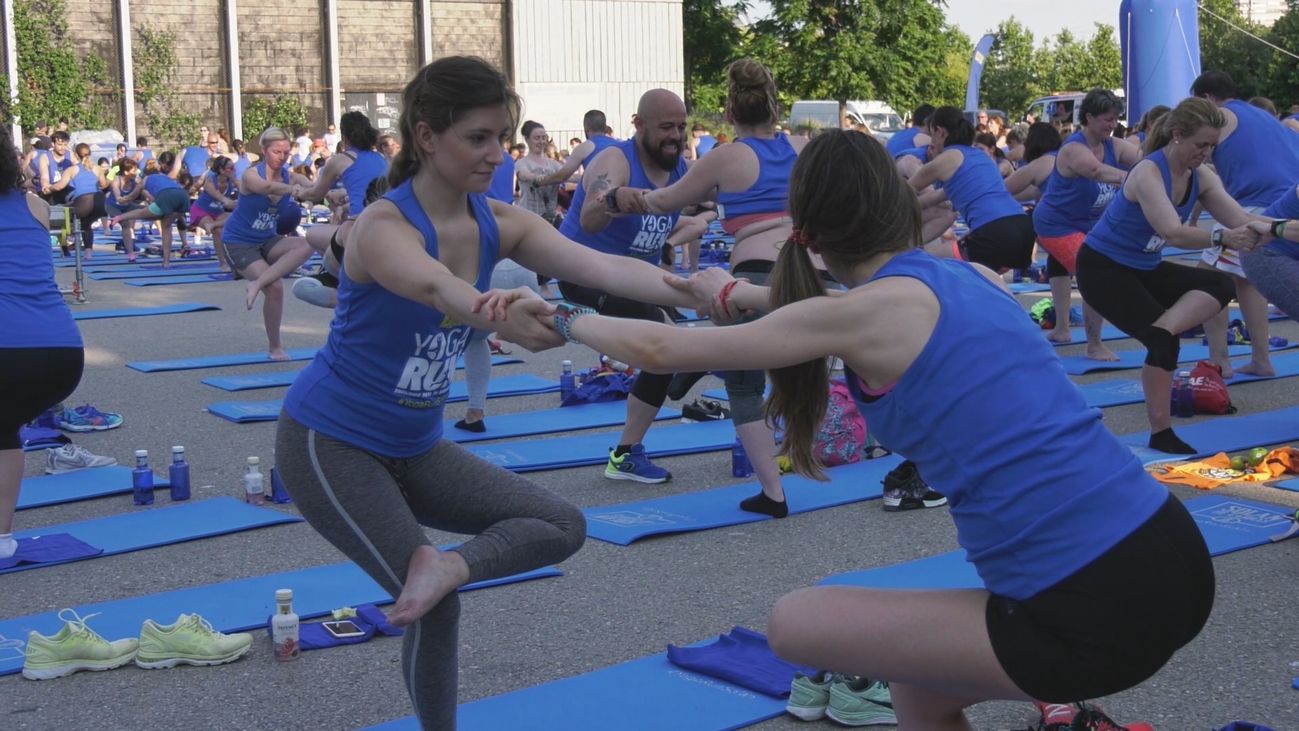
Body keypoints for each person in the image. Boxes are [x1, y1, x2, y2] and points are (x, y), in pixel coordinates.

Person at [520, 128, 1215, 730]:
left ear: (808, 229)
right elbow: (848, 309)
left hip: (1095, 602)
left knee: (796, 622)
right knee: (916, 683)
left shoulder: (860, 313)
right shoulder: (968, 273)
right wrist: (732, 292)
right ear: (895, 203)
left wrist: (560, 320)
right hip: (1171, 551)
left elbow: (662, 351)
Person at [275, 56, 721, 729]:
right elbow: (433, 286)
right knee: (433, 602)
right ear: (426, 137)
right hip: (329, 443)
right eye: (478, 138)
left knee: (560, 524)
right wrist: (494, 311)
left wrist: (702, 290)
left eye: (502, 138)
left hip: (416, 446)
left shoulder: (499, 220)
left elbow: (605, 267)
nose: (497, 154)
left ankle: (443, 567)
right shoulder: (383, 226)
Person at [1077, 97, 1264, 454]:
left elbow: (1242, 219)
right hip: (1103, 269)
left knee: (1219, 283)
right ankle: (1160, 432)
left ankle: (1163, 328)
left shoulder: (1201, 176)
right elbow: (1174, 232)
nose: (1207, 154)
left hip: (1143, 268)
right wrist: (1222, 237)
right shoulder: (1148, 172)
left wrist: (1286, 228)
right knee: (1165, 343)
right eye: (1201, 145)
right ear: (1177, 135)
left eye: (1212, 146)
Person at [554, 87, 691, 483]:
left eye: (681, 127)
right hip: (585, 276)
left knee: (670, 349)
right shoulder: (616, 158)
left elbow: (720, 192)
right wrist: (616, 198)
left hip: (635, 281)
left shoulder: (680, 167)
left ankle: (627, 452)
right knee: (666, 341)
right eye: (666, 127)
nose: (675, 136)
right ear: (639, 125)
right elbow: (592, 218)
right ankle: (625, 454)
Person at [0, 125, 89, 561]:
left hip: (8, 351)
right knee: (2, 429)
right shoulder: (35, 205)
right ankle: (1, 539)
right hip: (61, 354)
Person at [1190, 70, 1299, 378]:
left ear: (1207, 99)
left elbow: (1198, 169)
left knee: (1206, 279)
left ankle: (1219, 360)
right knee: (1247, 281)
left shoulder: (1219, 116)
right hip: (1288, 201)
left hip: (1258, 206)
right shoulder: (1260, 113)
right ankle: (1261, 359)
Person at [1031, 89, 1140, 360]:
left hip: (1088, 224)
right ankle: (1094, 346)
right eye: (1108, 119)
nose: (1113, 125)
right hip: (1054, 225)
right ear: (1089, 117)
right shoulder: (1072, 149)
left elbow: (1145, 160)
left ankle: (1062, 329)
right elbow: (1095, 171)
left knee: (1063, 266)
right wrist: (1140, 180)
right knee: (1095, 274)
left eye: (1116, 119)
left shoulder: (1114, 146)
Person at [221, 126, 315, 360]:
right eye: (276, 152)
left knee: (308, 242)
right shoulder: (251, 175)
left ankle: (256, 284)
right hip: (238, 242)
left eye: (285, 153)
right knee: (275, 288)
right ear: (264, 150)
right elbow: (267, 188)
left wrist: (334, 192)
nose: (281, 157)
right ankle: (275, 348)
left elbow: (314, 188)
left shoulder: (292, 176)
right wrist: (294, 190)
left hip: (267, 240)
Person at [908, 107, 1036, 271]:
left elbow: (902, 192)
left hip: (995, 233)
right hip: (1023, 229)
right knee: (986, 283)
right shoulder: (980, 155)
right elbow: (932, 198)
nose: (930, 143)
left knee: (917, 258)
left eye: (931, 135)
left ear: (939, 132)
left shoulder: (948, 158)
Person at [292, 111, 390, 307]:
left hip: (360, 229)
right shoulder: (379, 157)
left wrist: (298, 192)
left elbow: (315, 195)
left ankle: (339, 279)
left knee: (312, 235)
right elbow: (368, 187)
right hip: (387, 223)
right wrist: (344, 195)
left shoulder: (341, 159)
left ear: (344, 137)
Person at [110, 164, 192, 267]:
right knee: (166, 227)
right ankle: (166, 262)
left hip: (167, 196)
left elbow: (135, 195)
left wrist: (126, 198)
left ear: (145, 174)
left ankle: (119, 217)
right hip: (183, 195)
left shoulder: (145, 179)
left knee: (142, 213)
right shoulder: (165, 178)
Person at [46, 143, 108, 259]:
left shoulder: (71, 170)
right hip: (99, 201)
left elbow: (59, 186)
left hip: (84, 201)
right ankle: (88, 253)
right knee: (86, 224)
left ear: (75, 154)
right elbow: (103, 184)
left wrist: (47, 188)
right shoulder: (97, 168)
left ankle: (66, 244)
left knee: (63, 215)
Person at [190, 155, 239, 272]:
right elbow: (217, 196)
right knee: (218, 231)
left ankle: (238, 258)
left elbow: (245, 190)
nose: (234, 170)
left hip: (217, 212)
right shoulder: (210, 182)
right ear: (221, 170)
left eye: (234, 167)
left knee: (239, 220)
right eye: (230, 168)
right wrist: (227, 201)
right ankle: (223, 264)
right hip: (201, 210)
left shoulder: (232, 180)